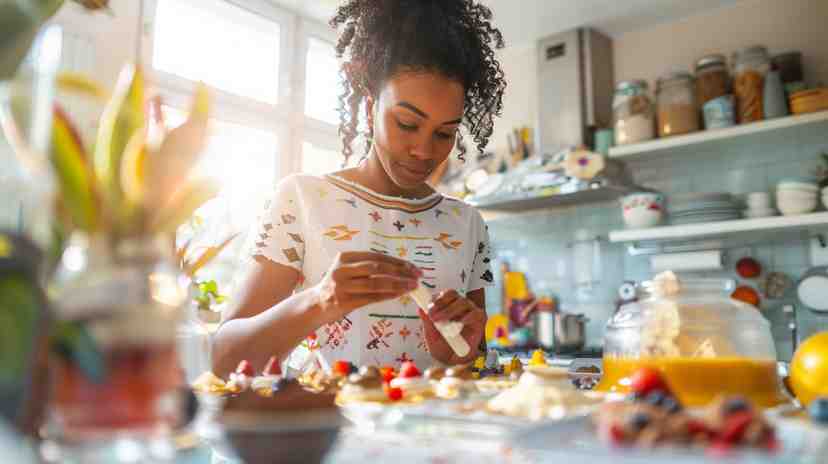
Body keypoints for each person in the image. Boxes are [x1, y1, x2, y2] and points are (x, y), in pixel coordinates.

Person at [212, 0, 506, 376]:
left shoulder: (466, 223)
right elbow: (223, 358)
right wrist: (319, 302)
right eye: (406, 123)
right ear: (370, 108)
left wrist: (458, 353)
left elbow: (475, 360)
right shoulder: (302, 200)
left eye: (444, 133)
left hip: (434, 432)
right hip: (325, 430)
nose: (424, 151)